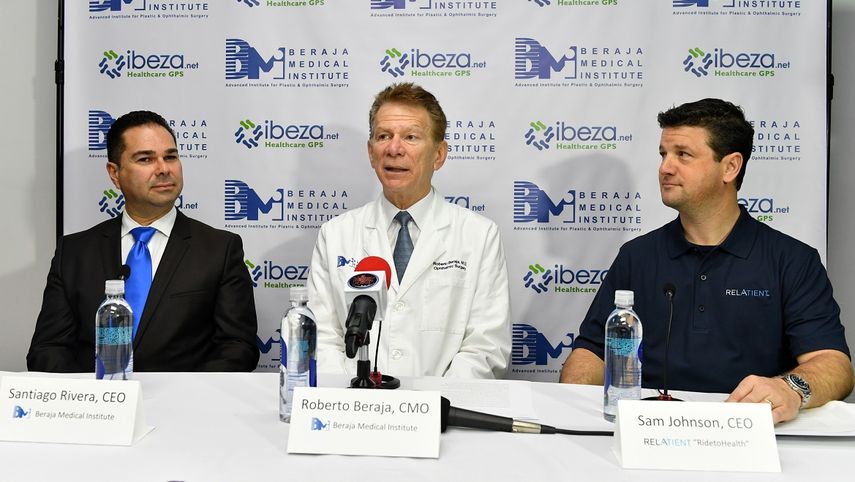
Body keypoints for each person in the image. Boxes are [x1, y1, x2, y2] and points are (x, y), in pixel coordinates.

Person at [560, 98, 853, 423]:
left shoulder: (792, 260)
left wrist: (790, 388)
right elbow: (592, 351)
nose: (665, 168)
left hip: (749, 434)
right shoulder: (637, 256)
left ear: (730, 167)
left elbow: (833, 363)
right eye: (663, 155)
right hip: (648, 432)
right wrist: (575, 403)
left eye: (682, 155)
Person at [28, 110, 259, 372]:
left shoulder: (219, 249)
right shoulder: (74, 252)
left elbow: (238, 347)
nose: (163, 169)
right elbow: (48, 349)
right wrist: (92, 398)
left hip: (184, 407)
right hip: (96, 406)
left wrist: (183, 398)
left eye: (170, 156)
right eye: (146, 159)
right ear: (115, 174)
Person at [307, 82, 511, 378]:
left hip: (442, 412)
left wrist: (432, 406)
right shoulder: (335, 234)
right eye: (383, 136)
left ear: (439, 155)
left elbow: (486, 345)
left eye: (411, 137)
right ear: (371, 152)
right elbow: (323, 338)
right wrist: (351, 399)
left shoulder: (479, 236)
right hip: (353, 409)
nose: (393, 149)